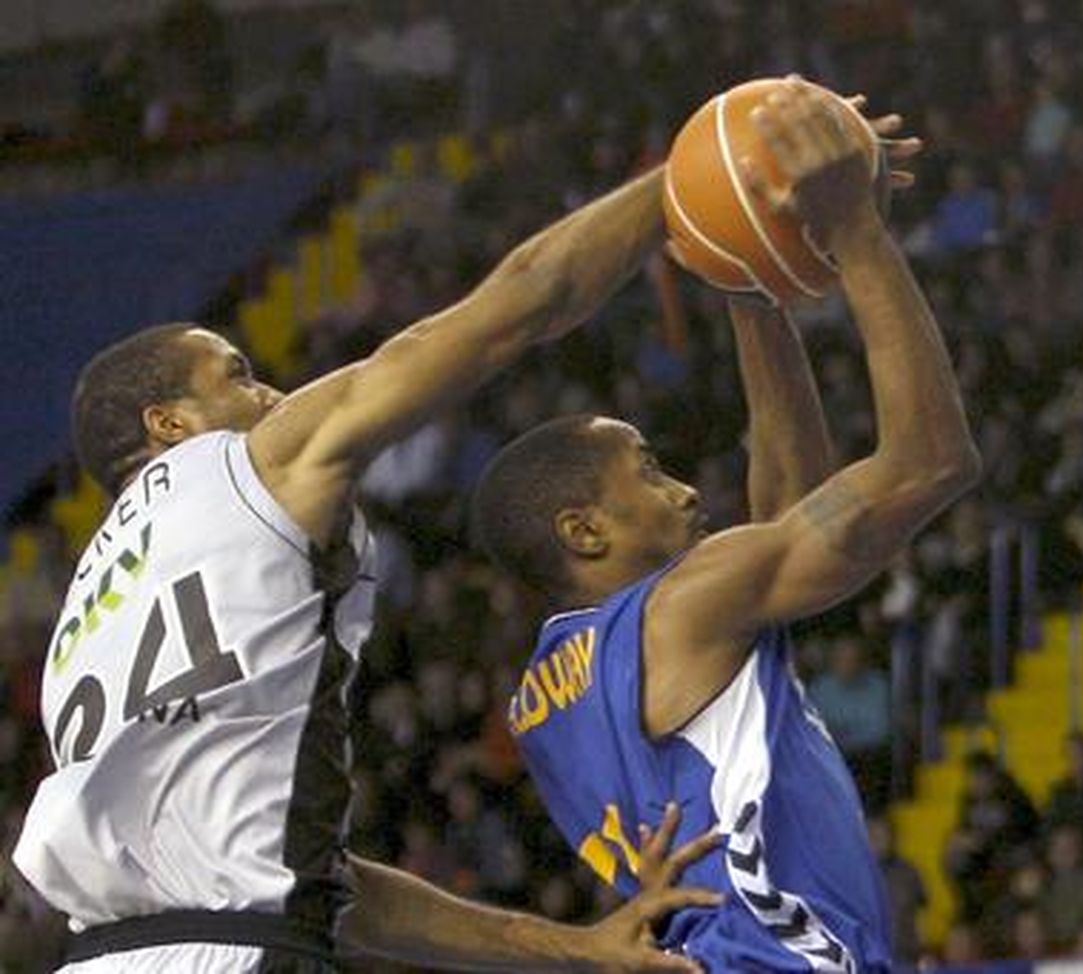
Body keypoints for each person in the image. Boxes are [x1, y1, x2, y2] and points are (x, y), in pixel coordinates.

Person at [11, 136, 732, 971]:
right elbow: (513, 309)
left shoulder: (80, 620)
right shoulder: (249, 464)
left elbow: (311, 881)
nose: (273, 395)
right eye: (239, 377)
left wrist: (572, 947)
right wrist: (684, 177)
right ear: (168, 424)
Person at [471, 78, 980, 973]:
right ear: (584, 531)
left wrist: (749, 279)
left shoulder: (548, 691)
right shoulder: (683, 609)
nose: (686, 494)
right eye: (650, 473)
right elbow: (929, 463)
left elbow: (784, 519)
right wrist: (856, 230)